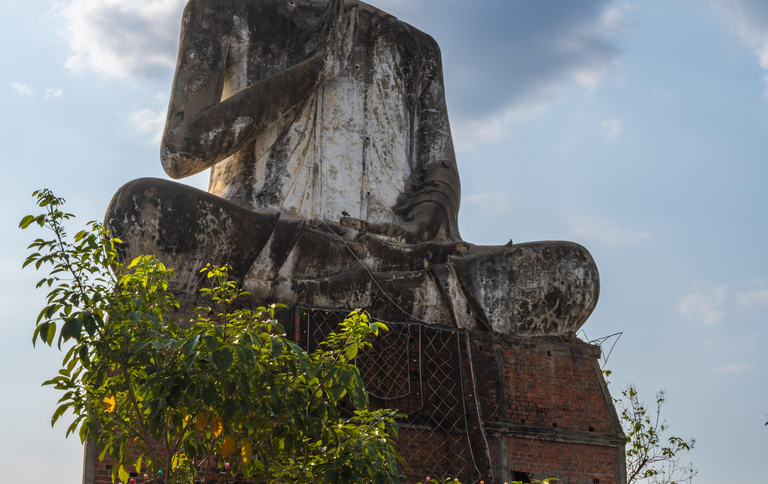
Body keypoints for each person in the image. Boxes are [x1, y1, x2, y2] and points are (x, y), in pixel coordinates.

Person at [106, 0, 599, 336]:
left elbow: (439, 171)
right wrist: (310, 70)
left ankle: (350, 280)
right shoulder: (224, 10)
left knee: (571, 272)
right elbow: (181, 151)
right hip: (264, 235)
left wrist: (428, 216)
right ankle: (377, 289)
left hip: (391, 250)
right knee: (141, 213)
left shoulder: (414, 47)